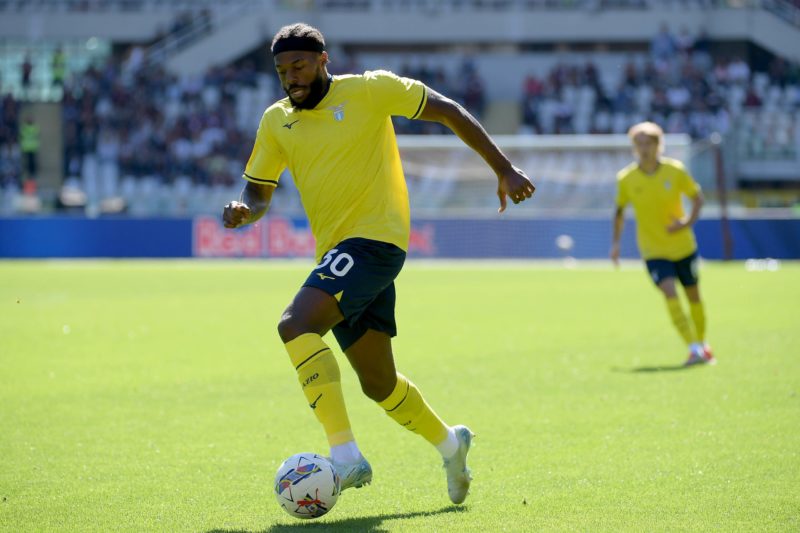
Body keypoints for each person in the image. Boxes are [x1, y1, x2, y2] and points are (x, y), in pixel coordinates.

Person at [222, 23, 535, 504]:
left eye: (300, 66)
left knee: (294, 324)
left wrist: (504, 167)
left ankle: (345, 456)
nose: (291, 78)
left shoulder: (370, 89)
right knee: (379, 384)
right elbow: (258, 190)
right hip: (337, 253)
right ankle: (452, 444)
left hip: (376, 241)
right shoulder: (275, 121)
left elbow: (448, 110)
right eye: (283, 70)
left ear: (323, 59)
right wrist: (247, 210)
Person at [610, 121, 715, 367]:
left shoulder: (675, 171)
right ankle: (692, 348)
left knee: (694, 297)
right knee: (669, 293)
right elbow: (619, 212)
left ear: (659, 145)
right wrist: (615, 244)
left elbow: (697, 198)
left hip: (683, 246)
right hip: (653, 250)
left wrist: (686, 222)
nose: (644, 148)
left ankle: (701, 343)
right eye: (639, 143)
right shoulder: (626, 179)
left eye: (649, 143)